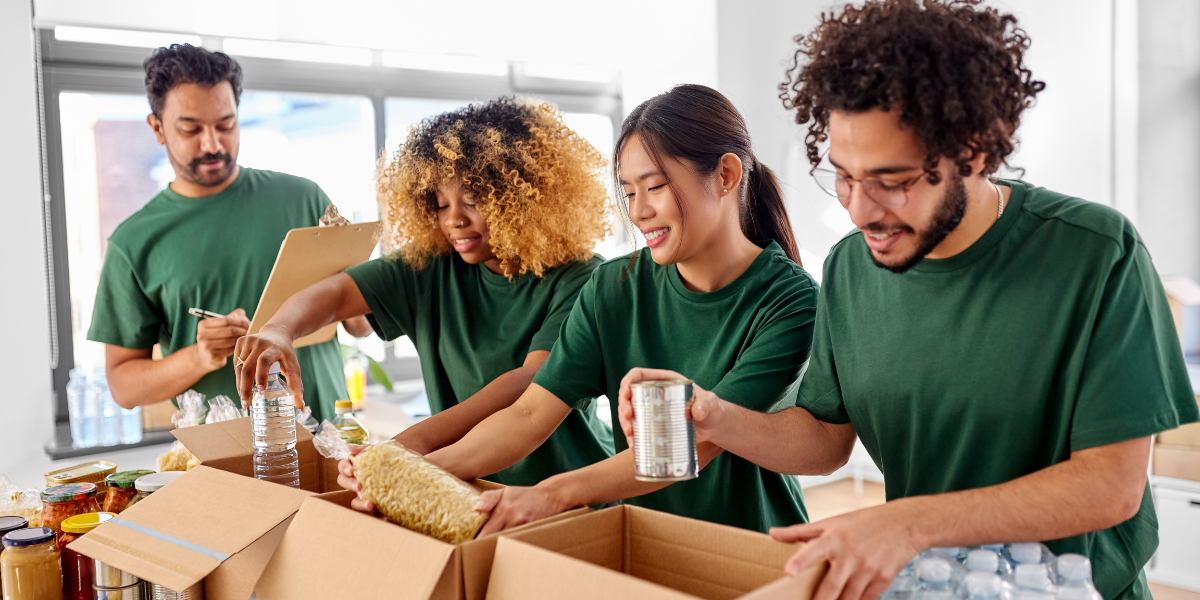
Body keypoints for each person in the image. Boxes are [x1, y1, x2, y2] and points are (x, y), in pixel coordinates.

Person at [616, 3, 1200, 600]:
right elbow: (824, 438)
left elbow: (1109, 488)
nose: (860, 210)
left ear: (973, 151)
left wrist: (908, 522)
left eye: (890, 183)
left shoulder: (1094, 254)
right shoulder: (851, 269)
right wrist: (714, 415)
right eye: (842, 176)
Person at [337, 84, 823, 535]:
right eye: (628, 192)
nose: (637, 211)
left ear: (726, 175)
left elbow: (691, 441)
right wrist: (407, 471)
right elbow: (529, 416)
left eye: (653, 187)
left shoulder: (788, 299)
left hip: (754, 540)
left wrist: (552, 493)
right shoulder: (615, 285)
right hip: (643, 537)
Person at [233, 98, 616, 486]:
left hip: (566, 491)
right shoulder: (431, 266)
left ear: (523, 198)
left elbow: (530, 381)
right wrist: (280, 329)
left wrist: (409, 447)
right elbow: (335, 293)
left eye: (472, 200)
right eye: (440, 202)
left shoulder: (581, 278)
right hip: (466, 488)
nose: (454, 219)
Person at [88, 44, 370, 422]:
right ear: (157, 128)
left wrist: (350, 293)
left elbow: (362, 325)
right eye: (190, 129)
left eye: (226, 125)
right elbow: (124, 386)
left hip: (327, 445)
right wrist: (199, 356)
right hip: (220, 463)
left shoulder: (304, 198)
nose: (213, 144)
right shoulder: (134, 243)